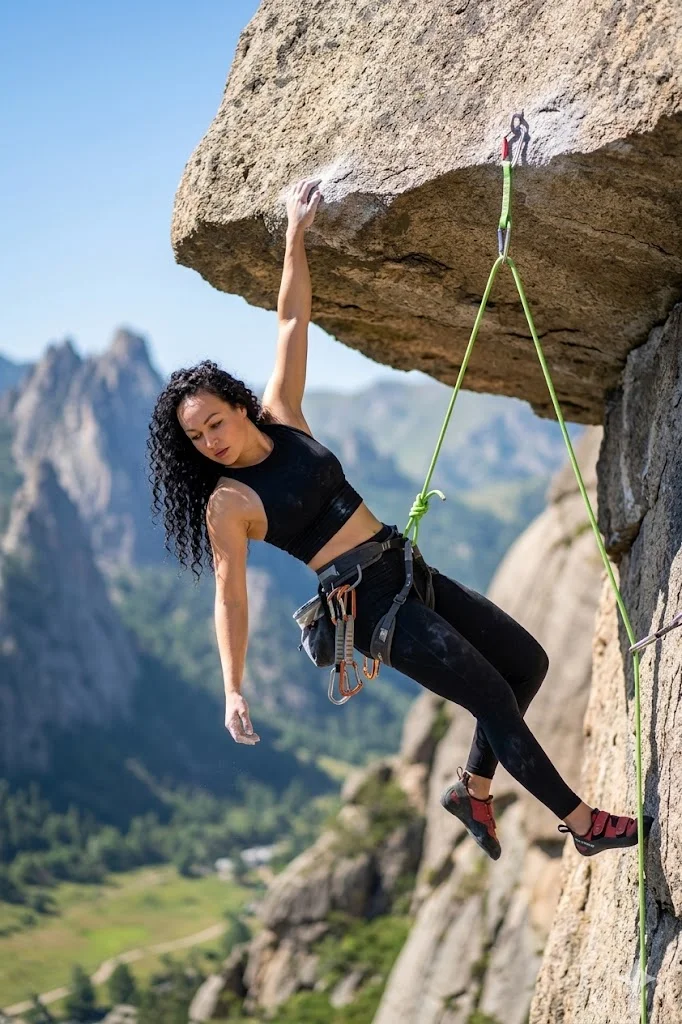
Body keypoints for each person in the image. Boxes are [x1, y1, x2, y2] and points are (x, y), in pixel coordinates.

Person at [148, 177, 653, 862]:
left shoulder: (283, 416)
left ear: (237, 406)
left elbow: (292, 319)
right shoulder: (228, 505)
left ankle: (471, 788)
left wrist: (296, 233)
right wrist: (233, 689)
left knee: (525, 663)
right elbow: (229, 596)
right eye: (197, 438)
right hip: (375, 607)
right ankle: (585, 824)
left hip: (406, 566)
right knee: (495, 702)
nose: (211, 441)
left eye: (214, 422)